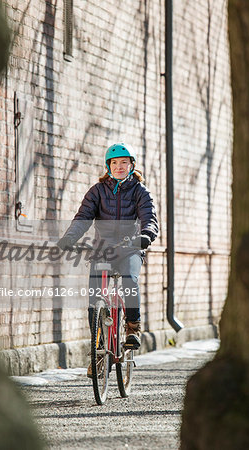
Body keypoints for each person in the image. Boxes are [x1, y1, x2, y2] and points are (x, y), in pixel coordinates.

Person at [57, 143, 158, 359]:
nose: (119, 166)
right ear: (108, 166)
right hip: (102, 251)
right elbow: (83, 218)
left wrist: (146, 235)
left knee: (130, 279)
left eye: (124, 162)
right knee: (95, 301)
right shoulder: (97, 191)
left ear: (131, 165)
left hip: (130, 248)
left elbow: (149, 218)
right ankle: (99, 350)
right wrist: (69, 238)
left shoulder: (140, 192)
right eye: (114, 163)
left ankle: (132, 328)